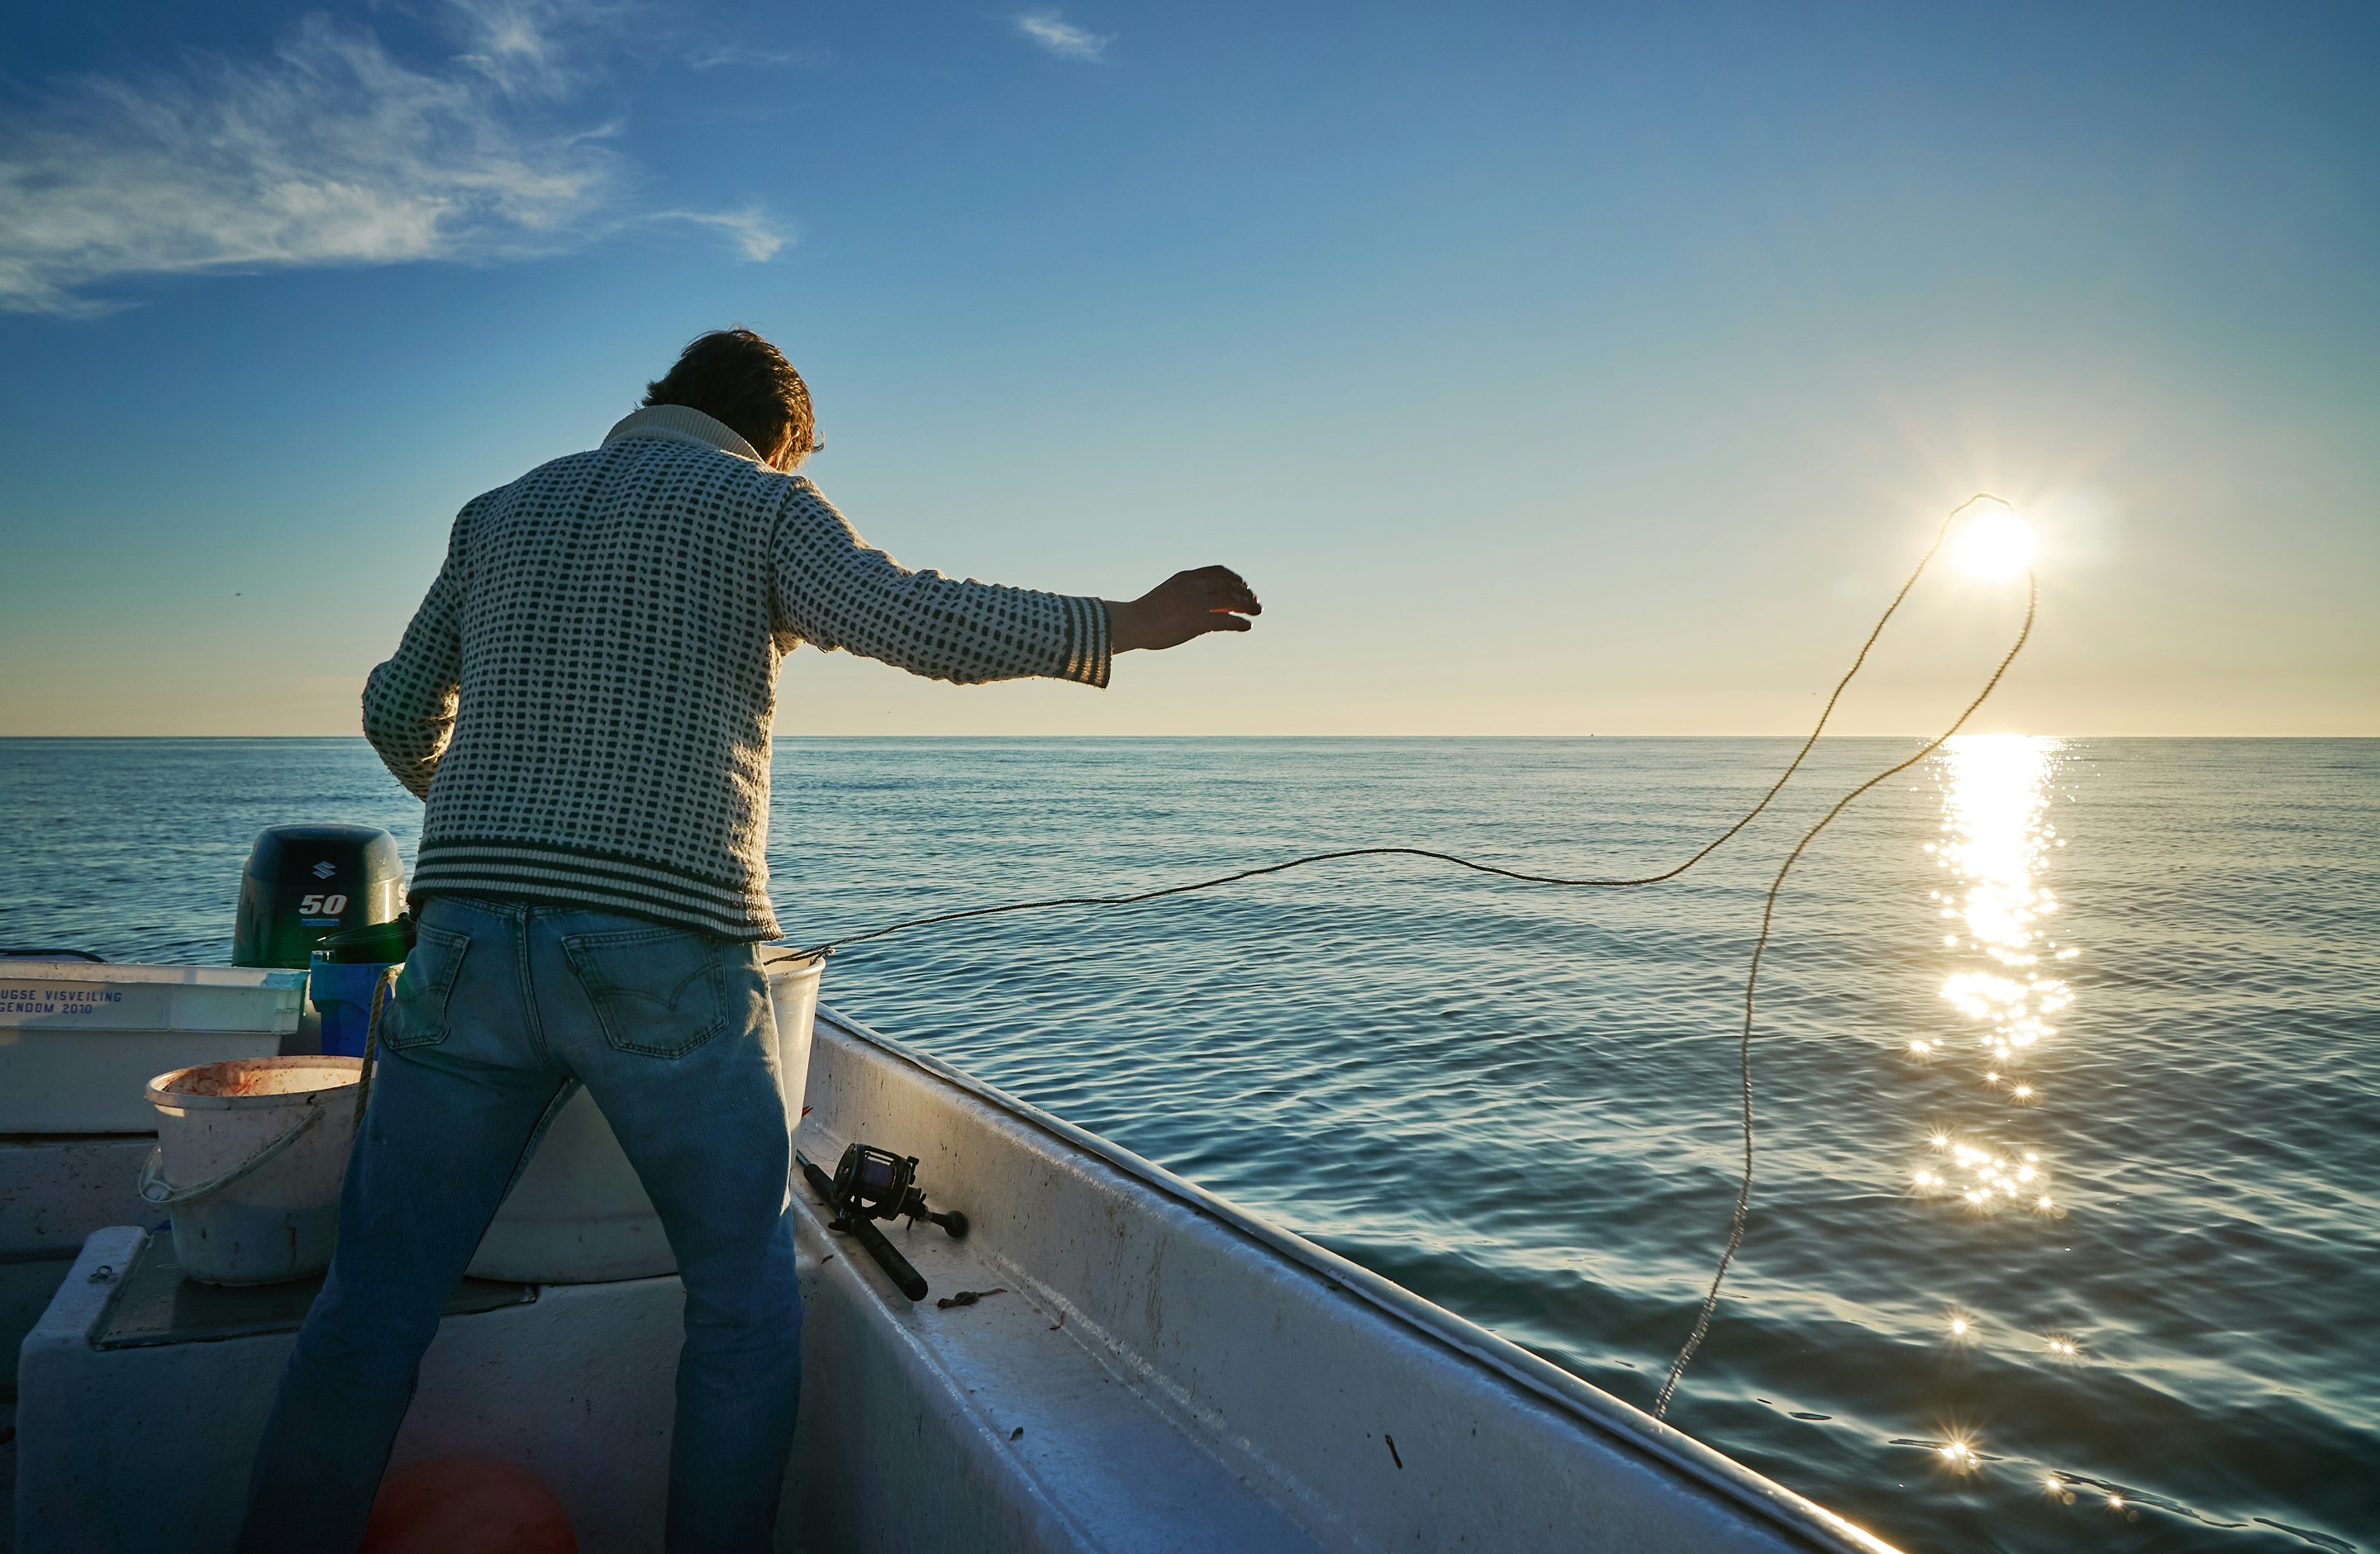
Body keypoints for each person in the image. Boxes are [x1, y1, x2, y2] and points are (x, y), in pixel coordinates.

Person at [235, 327, 1259, 1552]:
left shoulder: (496, 512)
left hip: (456, 950)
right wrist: (1123, 624)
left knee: (368, 1314)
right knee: (741, 1309)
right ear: (780, 438)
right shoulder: (763, 504)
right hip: (661, 955)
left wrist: (482, 811)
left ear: (660, 399)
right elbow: (911, 619)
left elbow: (397, 707)